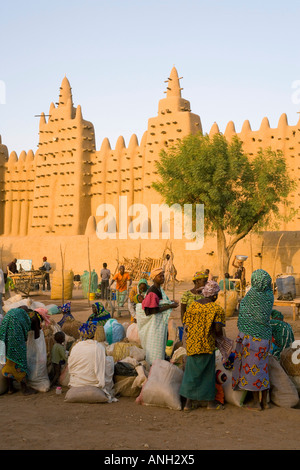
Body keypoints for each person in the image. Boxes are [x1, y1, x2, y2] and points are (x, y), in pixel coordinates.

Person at [179, 280, 226, 411]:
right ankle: (210, 403)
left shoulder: (193, 306)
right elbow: (217, 330)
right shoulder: (216, 309)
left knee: (191, 373)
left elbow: (186, 325)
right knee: (207, 374)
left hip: (193, 344)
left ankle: (188, 404)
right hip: (207, 344)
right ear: (215, 295)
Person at [232, 269, 274, 411]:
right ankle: (266, 402)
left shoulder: (251, 295)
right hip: (265, 338)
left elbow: (243, 311)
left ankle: (256, 403)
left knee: (252, 370)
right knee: (263, 369)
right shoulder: (269, 295)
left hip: (251, 338)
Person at [135, 267, 178, 365]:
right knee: (156, 348)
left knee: (160, 346)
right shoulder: (153, 291)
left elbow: (160, 303)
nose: (162, 278)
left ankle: (157, 366)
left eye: (163, 276)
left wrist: (170, 302)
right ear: (154, 278)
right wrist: (170, 305)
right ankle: (154, 367)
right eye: (160, 276)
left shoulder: (159, 289)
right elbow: (152, 310)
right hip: (155, 325)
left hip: (158, 324)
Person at [0, 306, 42, 395]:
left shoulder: (14, 312)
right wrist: (37, 327)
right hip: (15, 336)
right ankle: (24, 389)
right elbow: (37, 336)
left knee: (9, 359)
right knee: (20, 359)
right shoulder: (34, 317)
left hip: (4, 334)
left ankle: (10, 388)